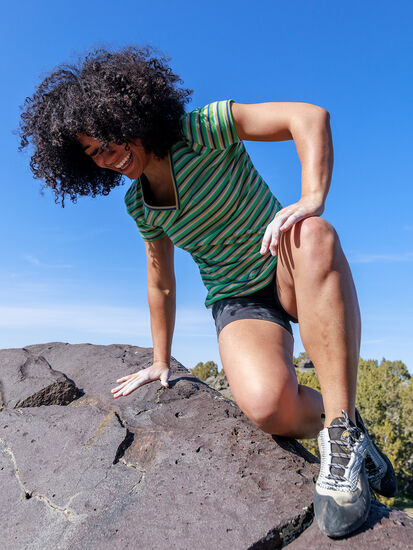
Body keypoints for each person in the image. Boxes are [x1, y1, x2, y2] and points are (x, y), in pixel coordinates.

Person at [19, 46, 397, 538]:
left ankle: (342, 435)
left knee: (314, 232)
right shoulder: (141, 205)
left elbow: (309, 117)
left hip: (284, 262)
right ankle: (350, 429)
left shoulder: (202, 128)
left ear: (129, 114)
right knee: (267, 408)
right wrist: (161, 361)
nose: (109, 159)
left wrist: (310, 198)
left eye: (109, 142)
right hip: (237, 300)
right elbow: (160, 280)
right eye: (94, 154)